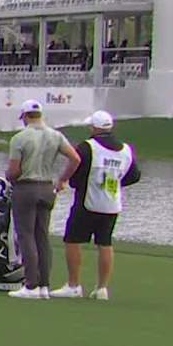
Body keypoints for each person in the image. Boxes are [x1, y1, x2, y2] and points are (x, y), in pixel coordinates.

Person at [50, 111, 141, 300]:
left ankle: (74, 285)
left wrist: (70, 182)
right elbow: (134, 175)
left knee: (73, 240)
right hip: (111, 204)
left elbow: (77, 172)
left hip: (88, 202)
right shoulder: (125, 149)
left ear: (94, 127)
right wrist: (116, 183)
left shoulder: (87, 147)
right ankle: (102, 288)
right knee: (105, 243)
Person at [4, 100, 80, 299]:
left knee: (26, 235)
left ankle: (31, 285)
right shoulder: (56, 135)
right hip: (47, 187)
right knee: (42, 236)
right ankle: (44, 286)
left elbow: (14, 171)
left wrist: (9, 175)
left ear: (25, 116)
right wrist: (63, 179)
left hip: (26, 188)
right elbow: (75, 159)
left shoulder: (20, 138)